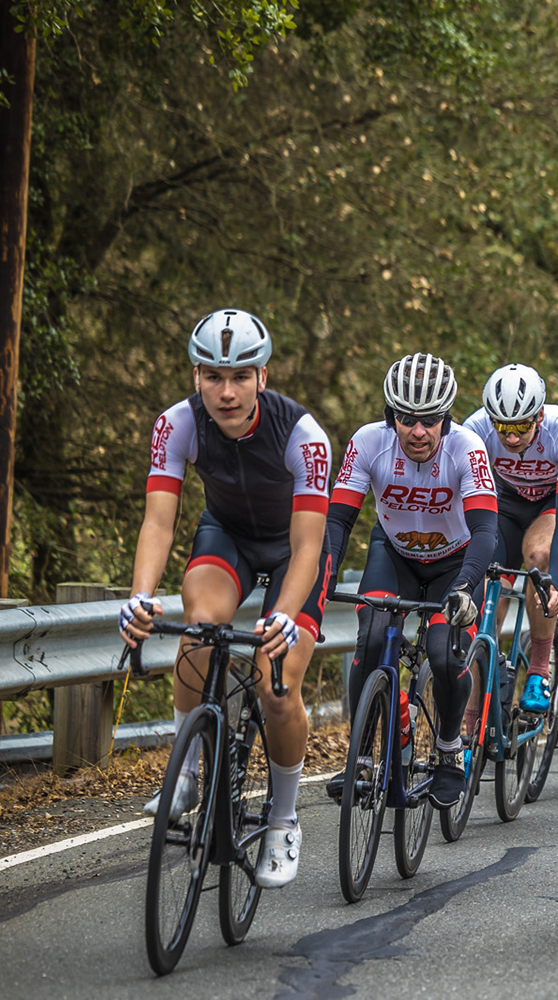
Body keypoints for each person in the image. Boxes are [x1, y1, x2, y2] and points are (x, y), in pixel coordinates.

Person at [120, 308, 331, 889]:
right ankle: (185, 771)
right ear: (196, 377)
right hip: (229, 536)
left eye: (241, 376)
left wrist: (284, 614)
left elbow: (309, 543)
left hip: (295, 549)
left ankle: (284, 819)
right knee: (200, 626)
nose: (227, 391)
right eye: (214, 376)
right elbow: (160, 522)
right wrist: (140, 597)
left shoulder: (304, 435)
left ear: (264, 376)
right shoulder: (177, 424)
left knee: (274, 682)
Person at [325, 353, 498, 810]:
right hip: (394, 553)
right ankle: (362, 757)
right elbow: (338, 521)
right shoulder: (367, 443)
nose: (418, 432)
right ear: (391, 416)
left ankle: (447, 750)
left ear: (447, 417)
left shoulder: (467, 448)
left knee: (443, 655)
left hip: (454, 564)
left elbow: (485, 532)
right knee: (371, 637)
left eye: (430, 421)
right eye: (407, 419)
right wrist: (320, 576)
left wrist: (464, 587)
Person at [462, 365, 558, 713]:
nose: (511, 437)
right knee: (488, 568)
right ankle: (473, 711)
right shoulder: (474, 430)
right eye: (503, 427)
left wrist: (554, 585)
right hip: (508, 500)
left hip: (553, 501)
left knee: (538, 555)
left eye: (521, 427)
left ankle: (539, 669)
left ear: (540, 415)